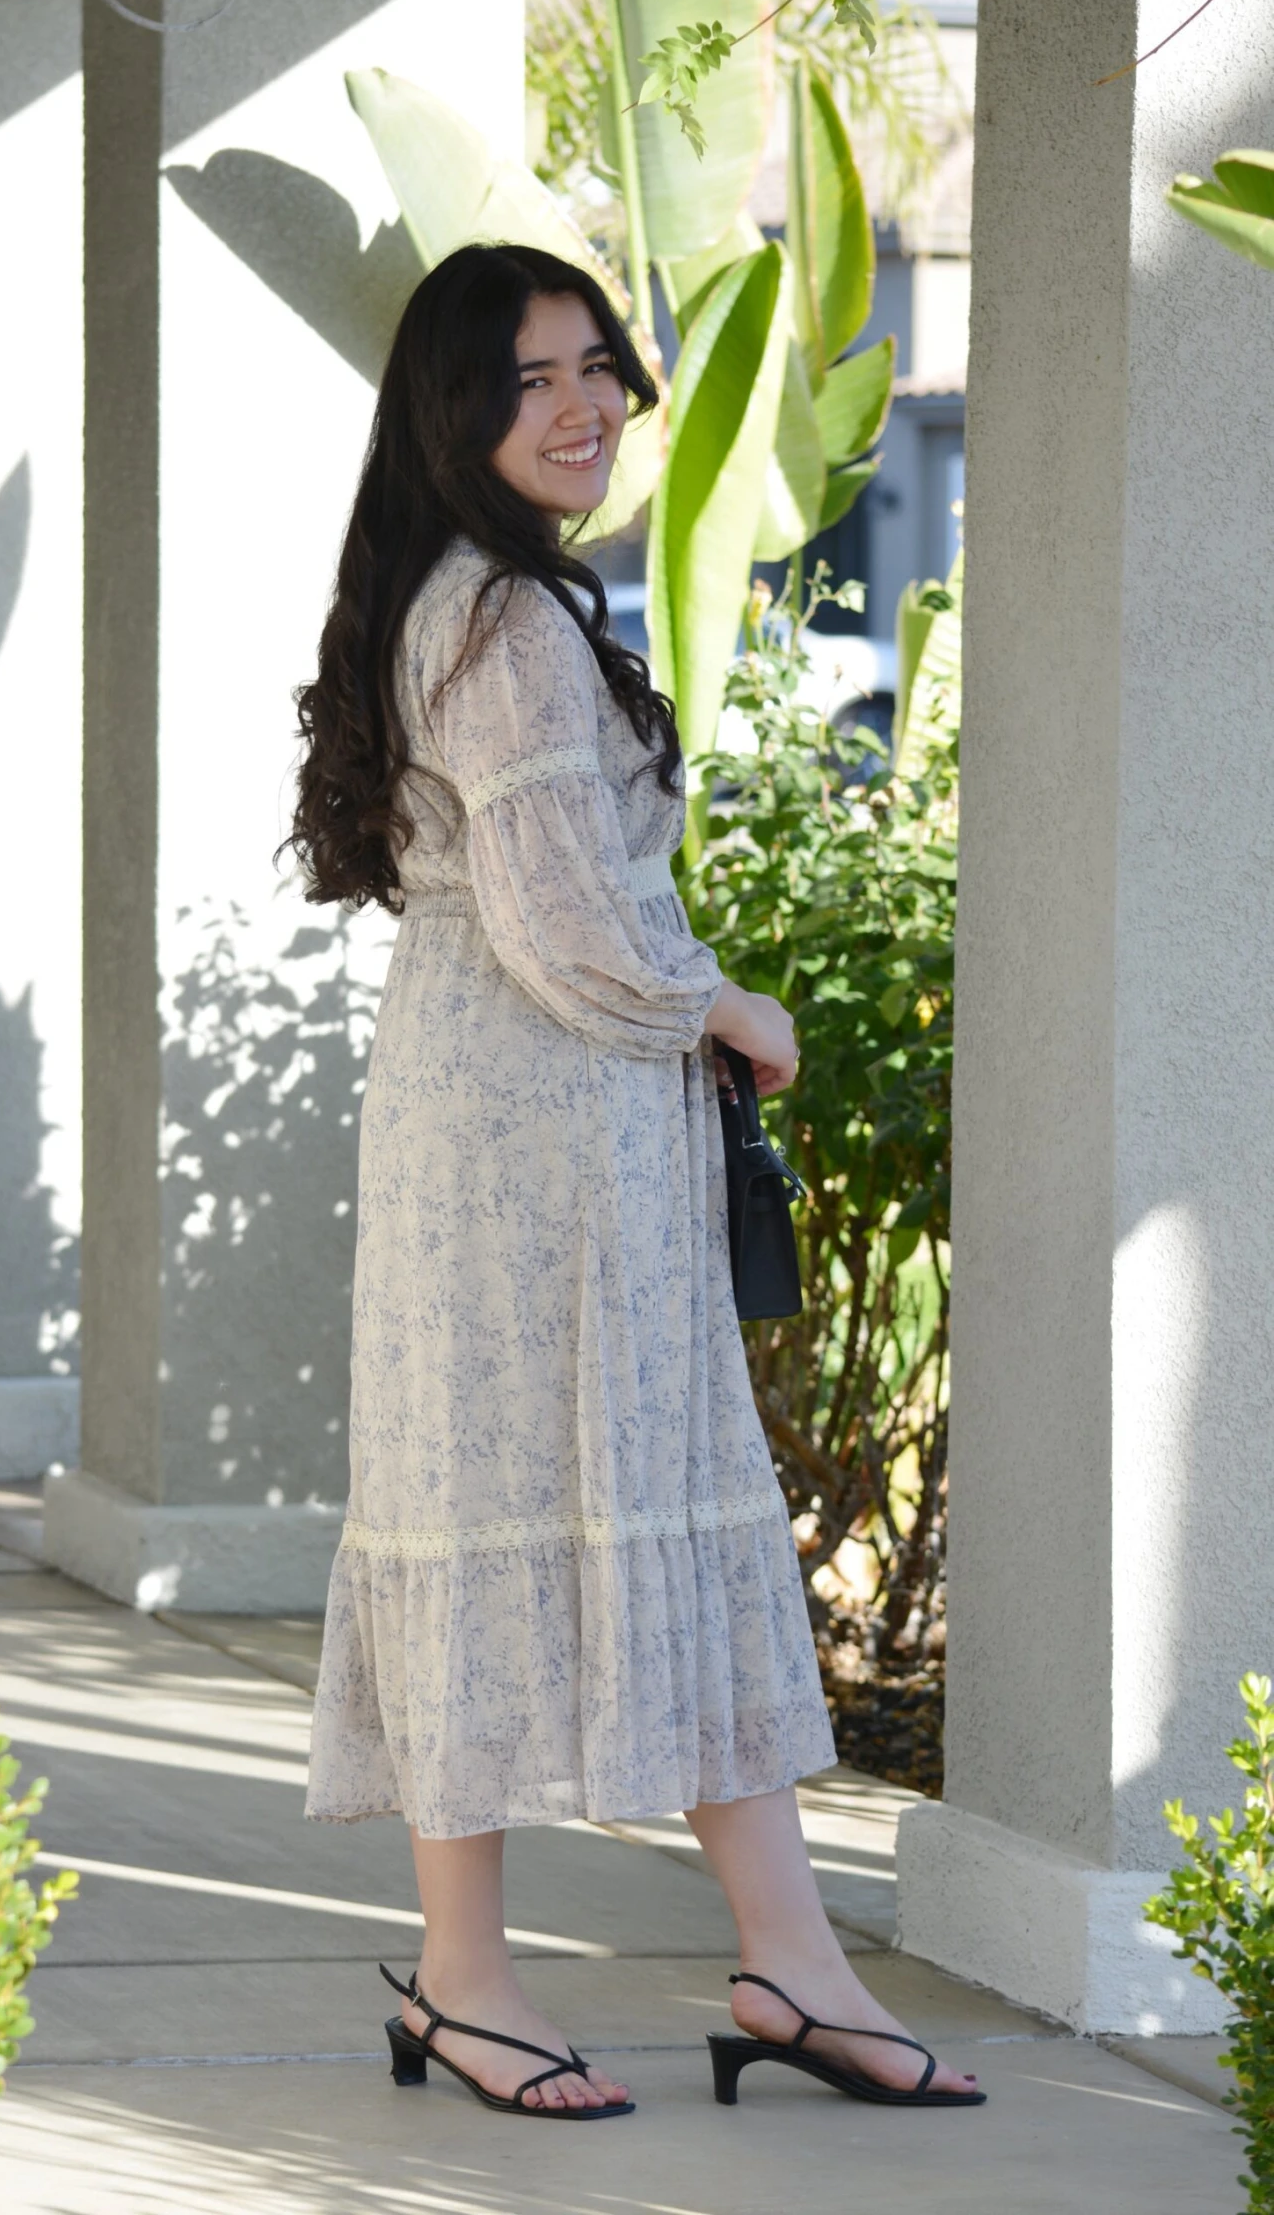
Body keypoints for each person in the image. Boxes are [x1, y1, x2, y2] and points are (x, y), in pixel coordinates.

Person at [284, 241, 982, 2122]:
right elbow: (568, 922)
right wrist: (725, 1003)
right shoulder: (504, 622)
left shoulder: (458, 594)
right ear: (456, 409)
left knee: (592, 1493)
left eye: (598, 363)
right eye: (533, 377)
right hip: (547, 1119)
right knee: (572, 1492)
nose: (585, 402)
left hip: (514, 1113)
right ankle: (489, 1980)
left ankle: (775, 1960)